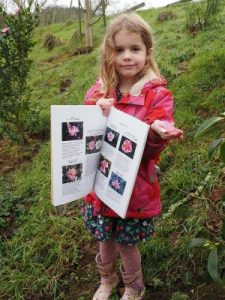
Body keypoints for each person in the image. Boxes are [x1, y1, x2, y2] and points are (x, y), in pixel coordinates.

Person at [81, 13, 184, 300]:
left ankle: (134, 287)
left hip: (132, 189)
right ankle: (106, 279)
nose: (127, 56)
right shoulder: (100, 88)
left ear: (147, 53)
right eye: (120, 50)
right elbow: (86, 121)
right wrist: (94, 107)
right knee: (104, 238)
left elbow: (151, 149)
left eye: (135, 49)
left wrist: (156, 133)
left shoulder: (157, 95)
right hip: (100, 186)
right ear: (109, 53)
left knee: (126, 244)